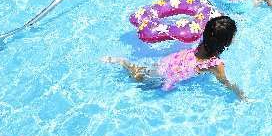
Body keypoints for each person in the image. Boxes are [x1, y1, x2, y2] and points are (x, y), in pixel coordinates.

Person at [102, 16, 245, 100]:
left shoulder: (204, 43)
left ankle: (123, 63)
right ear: (225, 42)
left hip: (168, 63)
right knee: (138, 80)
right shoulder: (216, 64)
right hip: (166, 76)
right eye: (233, 36)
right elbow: (225, 82)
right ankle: (122, 62)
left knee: (141, 73)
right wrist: (238, 92)